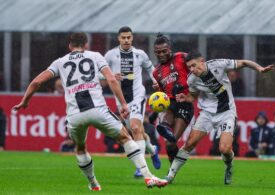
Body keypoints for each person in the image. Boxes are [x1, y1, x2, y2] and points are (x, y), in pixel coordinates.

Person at [12, 32, 167, 190]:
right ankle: (148, 177)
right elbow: (112, 79)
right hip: (98, 110)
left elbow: (36, 82)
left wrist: (25, 101)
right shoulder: (95, 56)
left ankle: (93, 183)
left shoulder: (59, 62)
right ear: (86, 45)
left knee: (80, 147)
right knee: (126, 138)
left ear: (69, 46)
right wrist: (123, 104)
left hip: (75, 115)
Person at [165, 51, 274, 185]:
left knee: (224, 149)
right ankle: (170, 175)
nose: (192, 70)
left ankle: (229, 167)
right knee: (189, 144)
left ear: (202, 61)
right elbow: (193, 96)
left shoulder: (219, 64)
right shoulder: (192, 79)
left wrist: (259, 68)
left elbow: (244, 63)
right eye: (190, 67)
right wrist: (185, 98)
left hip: (227, 112)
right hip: (207, 113)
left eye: (194, 65)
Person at [104, 26, 161, 177]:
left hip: (137, 96)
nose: (126, 40)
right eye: (123, 38)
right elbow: (97, 74)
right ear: (118, 38)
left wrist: (156, 81)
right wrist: (109, 76)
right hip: (121, 99)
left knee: (135, 128)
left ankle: (140, 167)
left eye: (129, 37)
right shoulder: (110, 55)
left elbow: (151, 69)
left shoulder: (140, 54)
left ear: (132, 38)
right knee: (138, 131)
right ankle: (152, 149)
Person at [152, 34, 194, 163]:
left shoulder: (182, 57)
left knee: (171, 143)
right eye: (158, 52)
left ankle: (173, 170)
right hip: (170, 105)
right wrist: (157, 92)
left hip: (184, 104)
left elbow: (197, 68)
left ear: (170, 49)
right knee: (169, 145)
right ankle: (163, 125)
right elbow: (162, 95)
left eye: (164, 51)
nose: (161, 54)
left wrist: (191, 87)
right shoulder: (156, 72)